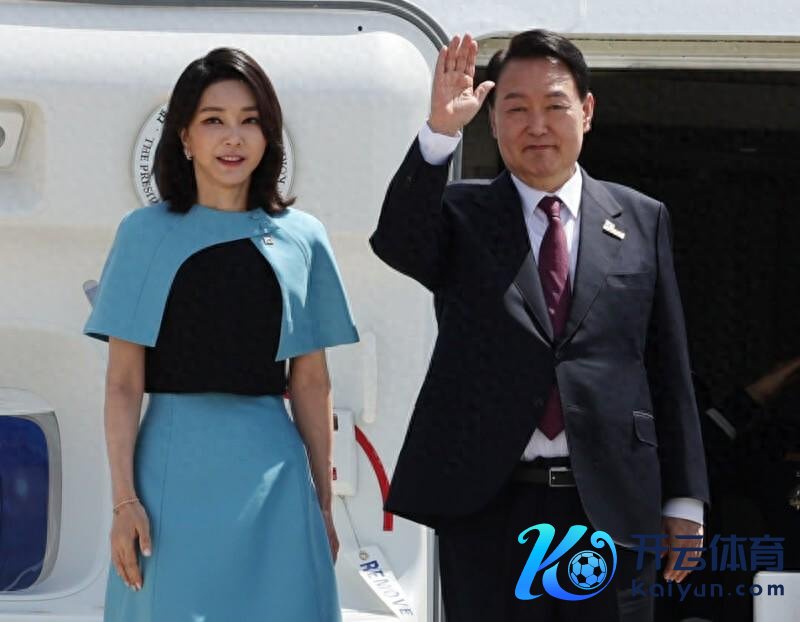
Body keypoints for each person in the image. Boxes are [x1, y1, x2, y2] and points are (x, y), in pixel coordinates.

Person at [369, 30, 709, 621]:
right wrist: (439, 132)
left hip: (609, 504)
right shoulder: (462, 213)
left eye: (554, 105)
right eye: (516, 109)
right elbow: (399, 242)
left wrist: (685, 498)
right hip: (488, 504)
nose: (537, 126)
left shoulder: (641, 218)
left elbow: (666, 364)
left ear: (587, 111)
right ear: (492, 121)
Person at [84, 48, 358, 621]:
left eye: (249, 120)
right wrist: (123, 500)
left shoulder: (304, 238)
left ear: (268, 135)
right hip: (168, 483)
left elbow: (312, 383)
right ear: (184, 136)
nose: (233, 137)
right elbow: (123, 384)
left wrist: (322, 506)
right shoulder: (142, 235)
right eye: (214, 120)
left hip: (277, 482)